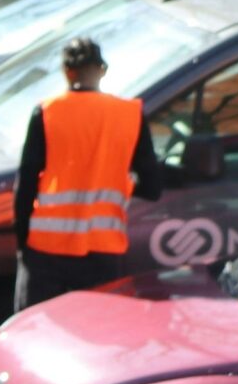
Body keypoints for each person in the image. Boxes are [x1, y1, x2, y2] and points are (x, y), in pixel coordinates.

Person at [13, 36, 166, 312]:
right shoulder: (129, 115)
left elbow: (25, 184)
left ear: (66, 72)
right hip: (103, 252)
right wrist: (122, 183)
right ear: (103, 69)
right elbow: (152, 187)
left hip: (47, 250)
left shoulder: (47, 112)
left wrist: (23, 242)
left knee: (37, 333)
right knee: (96, 335)